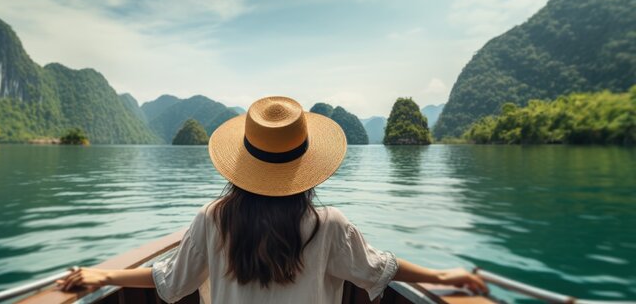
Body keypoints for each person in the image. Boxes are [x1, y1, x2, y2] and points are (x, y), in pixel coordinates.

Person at [57, 96, 487, 303]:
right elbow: (382, 268)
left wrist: (104, 275)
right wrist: (442, 276)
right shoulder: (330, 225)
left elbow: (169, 279)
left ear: (244, 162)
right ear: (307, 165)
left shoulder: (213, 220)